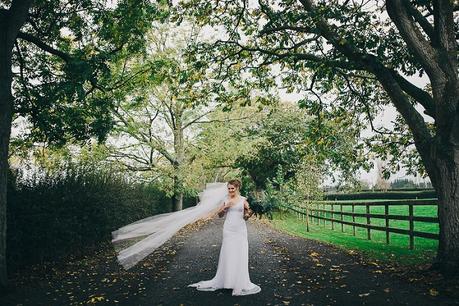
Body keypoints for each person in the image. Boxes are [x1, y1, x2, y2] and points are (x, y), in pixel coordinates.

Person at [188, 179, 261, 296]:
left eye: (233, 188)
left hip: (240, 229)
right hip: (228, 229)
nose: (230, 190)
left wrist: (248, 213)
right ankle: (227, 281)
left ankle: (239, 281)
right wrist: (225, 207)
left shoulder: (243, 200)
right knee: (228, 253)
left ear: (237, 188)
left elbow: (246, 217)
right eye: (229, 188)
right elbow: (220, 215)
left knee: (240, 253)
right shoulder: (225, 199)